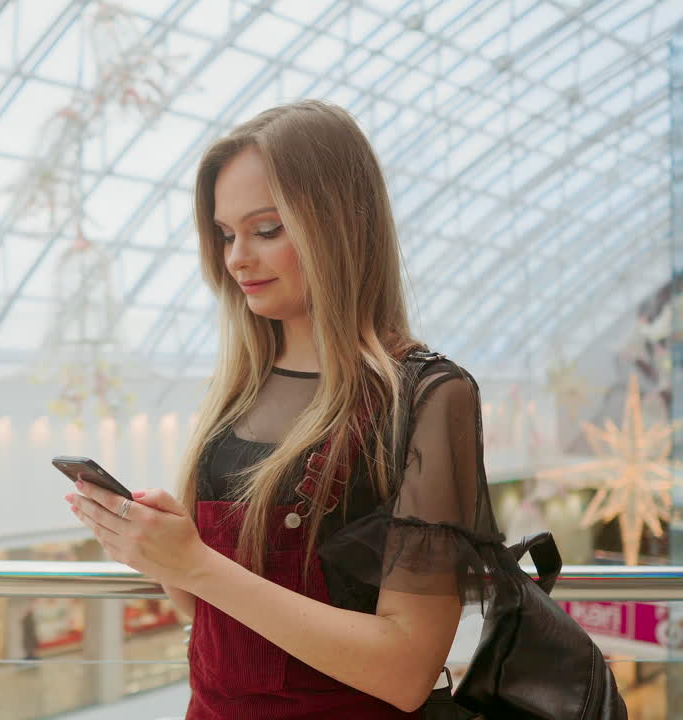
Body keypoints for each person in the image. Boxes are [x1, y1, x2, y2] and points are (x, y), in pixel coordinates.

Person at [66, 100, 506, 718]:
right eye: (225, 234)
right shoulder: (238, 393)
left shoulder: (426, 396)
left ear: (340, 225)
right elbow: (217, 617)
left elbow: (407, 669)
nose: (236, 257)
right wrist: (162, 553)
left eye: (266, 229)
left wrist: (195, 563)